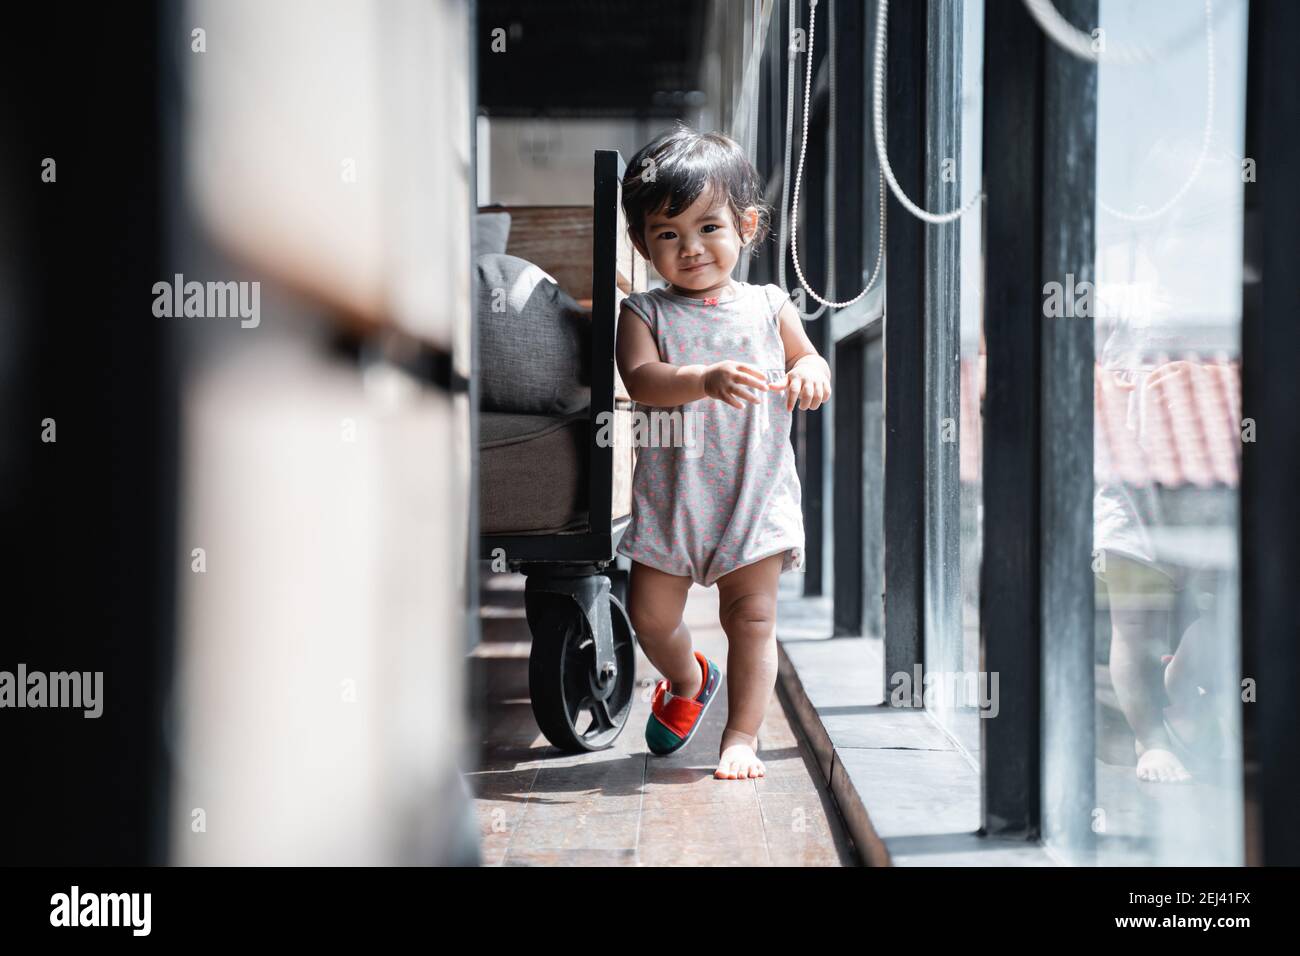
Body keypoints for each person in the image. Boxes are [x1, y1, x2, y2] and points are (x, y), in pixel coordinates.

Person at [613, 124, 829, 780]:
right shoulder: (643, 311)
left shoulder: (769, 305)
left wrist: (810, 372)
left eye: (708, 227)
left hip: (753, 499)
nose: (691, 248)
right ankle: (686, 678)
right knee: (649, 617)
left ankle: (742, 736)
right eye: (667, 234)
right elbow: (641, 380)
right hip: (672, 503)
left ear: (747, 225)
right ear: (641, 243)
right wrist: (703, 378)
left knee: (753, 619)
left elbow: (807, 356)